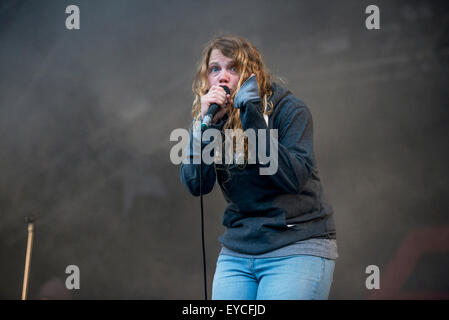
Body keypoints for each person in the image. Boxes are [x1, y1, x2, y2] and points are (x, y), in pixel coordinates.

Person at [180, 35, 338, 300]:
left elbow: (292, 178)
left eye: (234, 68)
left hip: (296, 244)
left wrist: (251, 115)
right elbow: (196, 184)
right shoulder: (215, 120)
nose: (222, 77)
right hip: (239, 250)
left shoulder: (290, 111)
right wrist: (205, 129)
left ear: (253, 74)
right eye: (214, 69)